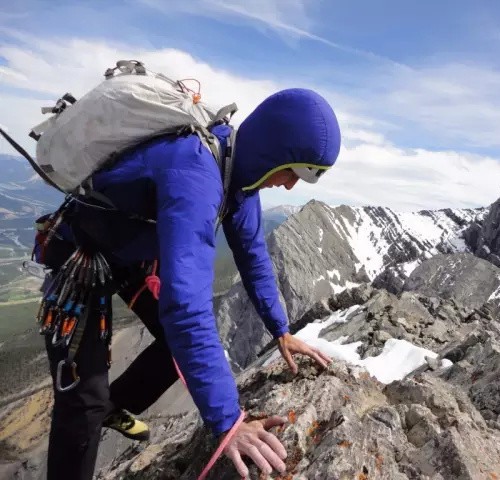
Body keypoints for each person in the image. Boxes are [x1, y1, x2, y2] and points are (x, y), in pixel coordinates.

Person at [42, 88, 341, 479]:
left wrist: (281, 330)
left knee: (171, 353)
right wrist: (228, 422)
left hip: (129, 257)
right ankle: (96, 411)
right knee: (81, 403)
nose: (289, 186)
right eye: (294, 172)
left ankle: (113, 407)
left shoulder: (238, 178)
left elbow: (253, 256)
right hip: (80, 257)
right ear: (273, 153)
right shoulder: (197, 172)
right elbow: (185, 307)